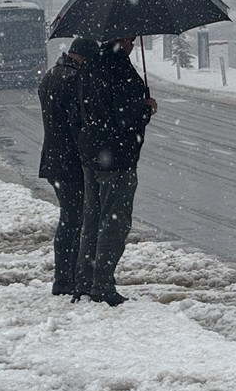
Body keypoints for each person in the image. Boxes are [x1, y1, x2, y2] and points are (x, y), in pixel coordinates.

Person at [73, 37, 157, 306]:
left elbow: (82, 110)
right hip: (117, 157)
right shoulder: (119, 69)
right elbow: (124, 116)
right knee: (114, 222)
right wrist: (145, 109)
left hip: (91, 153)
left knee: (93, 219)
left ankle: (83, 282)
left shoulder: (90, 66)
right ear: (119, 39)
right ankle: (102, 285)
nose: (133, 43)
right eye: (130, 38)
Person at [37, 37, 100, 297]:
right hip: (70, 161)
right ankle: (65, 278)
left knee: (70, 218)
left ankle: (67, 275)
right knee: (73, 220)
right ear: (82, 57)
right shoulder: (72, 80)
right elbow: (78, 123)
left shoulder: (51, 75)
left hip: (55, 159)